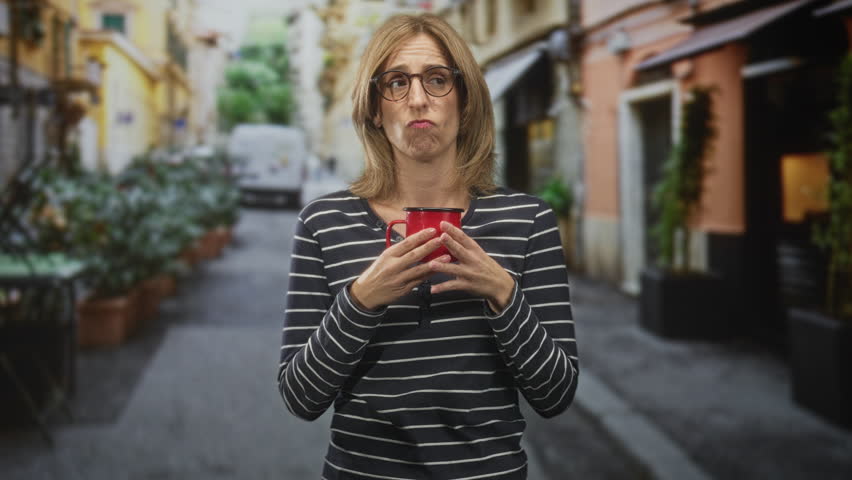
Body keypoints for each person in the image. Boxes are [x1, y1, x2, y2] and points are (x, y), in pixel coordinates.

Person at [278, 13, 578, 480]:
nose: (418, 99)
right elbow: (300, 397)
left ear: (465, 99)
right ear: (376, 108)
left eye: (437, 79)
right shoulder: (323, 222)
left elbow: (556, 395)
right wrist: (361, 301)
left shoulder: (527, 221)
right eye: (396, 82)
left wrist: (502, 293)